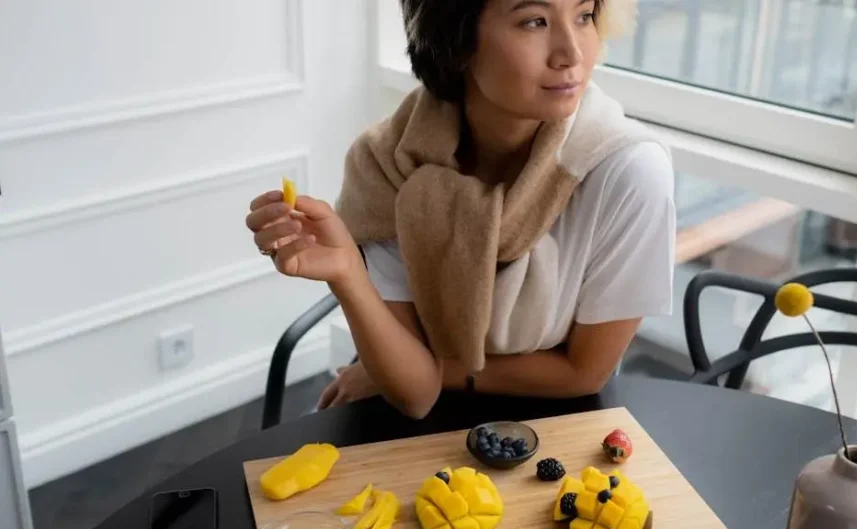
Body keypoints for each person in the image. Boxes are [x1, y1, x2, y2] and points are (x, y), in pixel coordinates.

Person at [245, 0, 675, 419]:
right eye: (534, 21)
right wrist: (348, 277)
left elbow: (584, 374)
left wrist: (433, 370)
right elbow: (414, 397)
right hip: (415, 418)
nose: (573, 53)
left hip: (562, 421)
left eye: (584, 16)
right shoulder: (387, 165)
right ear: (457, 38)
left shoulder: (627, 171)